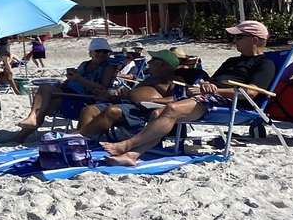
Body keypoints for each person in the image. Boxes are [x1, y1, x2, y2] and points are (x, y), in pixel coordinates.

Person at [103, 21, 275, 164]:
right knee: (157, 113)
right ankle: (132, 156)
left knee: (171, 109)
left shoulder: (265, 64)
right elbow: (212, 80)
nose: (233, 40)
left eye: (238, 36)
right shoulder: (231, 61)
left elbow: (251, 93)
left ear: (254, 40)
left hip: (231, 102)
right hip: (206, 96)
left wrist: (216, 90)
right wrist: (205, 85)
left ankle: (126, 146)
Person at [6, 37, 119, 142]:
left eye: (105, 52)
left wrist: (79, 79)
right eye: (98, 51)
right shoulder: (85, 64)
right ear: (90, 52)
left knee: (45, 89)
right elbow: (74, 79)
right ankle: (23, 132)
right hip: (69, 93)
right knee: (46, 102)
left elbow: (102, 88)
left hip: (85, 98)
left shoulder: (108, 67)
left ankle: (29, 122)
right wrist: (65, 82)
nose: (101, 54)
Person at [75, 49, 185, 139]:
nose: (148, 62)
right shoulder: (150, 79)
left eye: (153, 60)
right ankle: (80, 142)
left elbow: (178, 98)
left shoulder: (174, 80)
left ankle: (75, 137)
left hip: (143, 110)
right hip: (126, 105)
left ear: (163, 64)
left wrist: (152, 101)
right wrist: (110, 97)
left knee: (112, 111)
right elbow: (129, 95)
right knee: (88, 110)